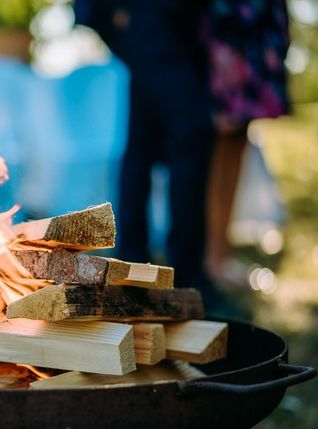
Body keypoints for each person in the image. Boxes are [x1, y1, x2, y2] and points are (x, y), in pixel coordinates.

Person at [75, 1, 214, 291]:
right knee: (187, 144)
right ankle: (182, 276)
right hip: (159, 27)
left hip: (166, 31)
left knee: (143, 150)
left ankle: (136, 265)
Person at [204, 0, 290, 288]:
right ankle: (214, 257)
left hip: (253, 30)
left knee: (238, 140)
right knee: (224, 142)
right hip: (231, 34)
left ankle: (221, 256)